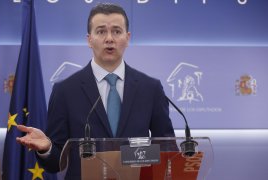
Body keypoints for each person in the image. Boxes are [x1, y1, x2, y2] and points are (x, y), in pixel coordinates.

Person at [16, 2, 175, 179]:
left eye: (116, 31)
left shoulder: (150, 88)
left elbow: (168, 148)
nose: (109, 38)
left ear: (127, 38)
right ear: (89, 40)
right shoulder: (65, 91)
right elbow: (55, 164)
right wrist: (47, 148)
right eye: (101, 31)